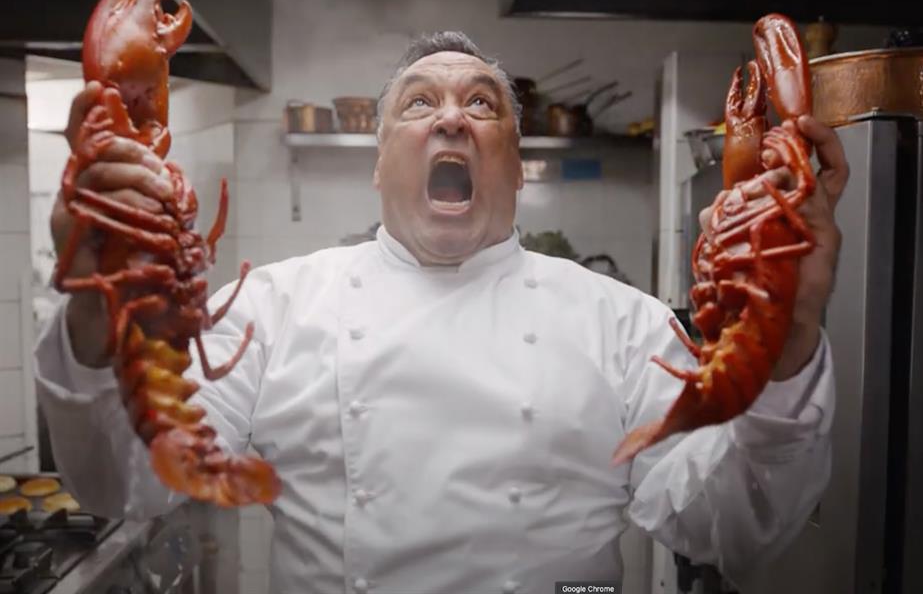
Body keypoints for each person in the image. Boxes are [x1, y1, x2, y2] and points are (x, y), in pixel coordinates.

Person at [35, 31, 847, 593]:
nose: (452, 117)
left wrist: (790, 338)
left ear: (517, 169)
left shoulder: (620, 324)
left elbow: (734, 528)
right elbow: (121, 484)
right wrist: (94, 319)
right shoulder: (272, 309)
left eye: (483, 105)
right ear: (379, 165)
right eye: (418, 104)